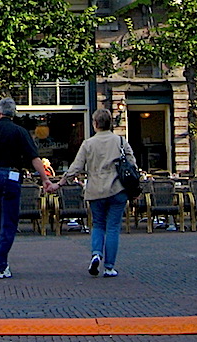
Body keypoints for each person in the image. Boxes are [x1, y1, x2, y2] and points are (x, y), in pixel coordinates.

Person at [0, 98, 55, 279]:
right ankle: (0, 265)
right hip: (11, 175)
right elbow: (34, 158)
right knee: (9, 221)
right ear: (13, 113)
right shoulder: (20, 132)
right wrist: (45, 179)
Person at [50, 108, 136, 278]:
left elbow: (76, 167)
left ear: (95, 124)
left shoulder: (88, 144)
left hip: (95, 190)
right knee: (112, 228)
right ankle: (109, 267)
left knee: (97, 225)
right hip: (117, 189)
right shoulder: (120, 141)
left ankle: (96, 253)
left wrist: (59, 183)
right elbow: (132, 164)